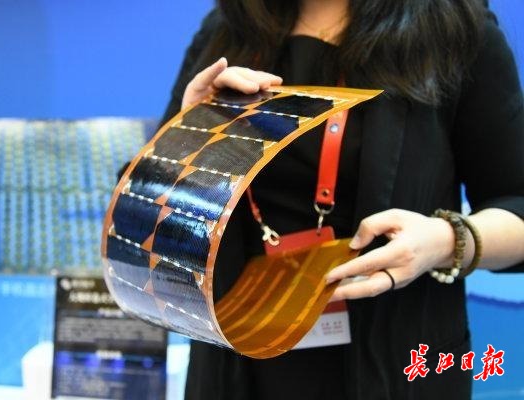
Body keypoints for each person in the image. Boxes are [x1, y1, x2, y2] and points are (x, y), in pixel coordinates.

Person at [155, 0, 524, 398]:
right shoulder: (229, 30)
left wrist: (446, 240)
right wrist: (188, 138)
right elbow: (150, 216)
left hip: (396, 365)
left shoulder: (453, 28)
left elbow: (516, 205)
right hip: (234, 366)